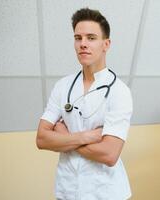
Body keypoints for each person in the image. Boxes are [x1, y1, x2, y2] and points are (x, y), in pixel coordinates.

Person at [36, 8, 133, 200]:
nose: (83, 44)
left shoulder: (119, 91)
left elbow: (109, 155)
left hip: (105, 192)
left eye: (91, 38)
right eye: (78, 38)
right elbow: (42, 139)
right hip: (67, 190)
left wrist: (65, 137)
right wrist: (87, 136)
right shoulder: (63, 86)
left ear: (106, 44)